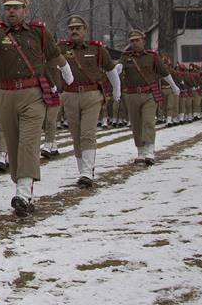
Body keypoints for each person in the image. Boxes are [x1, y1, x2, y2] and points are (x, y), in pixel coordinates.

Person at [0, 0, 73, 217]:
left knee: (28, 142)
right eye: (7, 7)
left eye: (15, 7)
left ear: (25, 9)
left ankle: (23, 193)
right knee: (13, 145)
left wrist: (66, 71)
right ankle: (21, 188)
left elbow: (55, 55)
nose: (11, 11)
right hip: (7, 94)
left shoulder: (38, 32)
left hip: (33, 93)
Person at [57, 15, 121, 187]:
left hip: (91, 95)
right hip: (69, 95)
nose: (74, 31)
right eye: (71, 28)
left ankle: (87, 172)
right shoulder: (61, 48)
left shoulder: (97, 49)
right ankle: (83, 171)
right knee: (76, 135)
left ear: (85, 30)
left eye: (78, 28)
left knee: (87, 133)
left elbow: (110, 70)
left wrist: (117, 89)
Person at [119, 29, 179, 165]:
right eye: (132, 41)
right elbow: (118, 68)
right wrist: (117, 69)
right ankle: (140, 151)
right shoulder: (125, 57)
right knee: (136, 123)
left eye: (137, 40)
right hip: (132, 94)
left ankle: (149, 151)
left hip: (149, 94)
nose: (134, 43)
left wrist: (174, 86)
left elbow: (164, 72)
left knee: (148, 121)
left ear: (143, 41)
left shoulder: (152, 56)